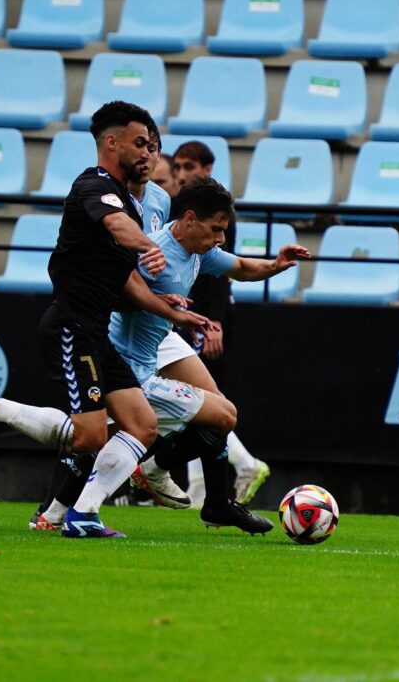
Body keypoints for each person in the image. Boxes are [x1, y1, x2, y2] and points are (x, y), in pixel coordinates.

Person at [0, 101, 210, 539]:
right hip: (71, 327)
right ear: (111, 142)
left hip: (95, 333)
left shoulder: (130, 200)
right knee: (89, 438)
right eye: (139, 143)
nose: (147, 153)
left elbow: (127, 283)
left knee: (142, 425)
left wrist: (172, 309)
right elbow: (119, 227)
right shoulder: (93, 184)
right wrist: (148, 247)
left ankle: (83, 515)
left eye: (151, 146)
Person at [36, 177, 309, 534]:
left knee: (207, 413)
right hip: (129, 369)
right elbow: (121, 288)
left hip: (151, 357)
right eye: (216, 229)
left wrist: (275, 264)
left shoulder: (200, 251)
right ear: (190, 218)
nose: (220, 239)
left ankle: (211, 501)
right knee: (220, 416)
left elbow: (240, 267)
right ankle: (151, 477)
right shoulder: (157, 254)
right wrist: (170, 310)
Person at [171, 142, 271, 506]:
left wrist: (213, 321)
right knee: (195, 406)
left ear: (207, 168)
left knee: (201, 403)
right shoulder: (185, 209)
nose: (182, 173)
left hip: (204, 317)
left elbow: (222, 271)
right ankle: (200, 492)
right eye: (178, 166)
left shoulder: (217, 211)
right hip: (187, 315)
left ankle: (244, 464)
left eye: (188, 166)